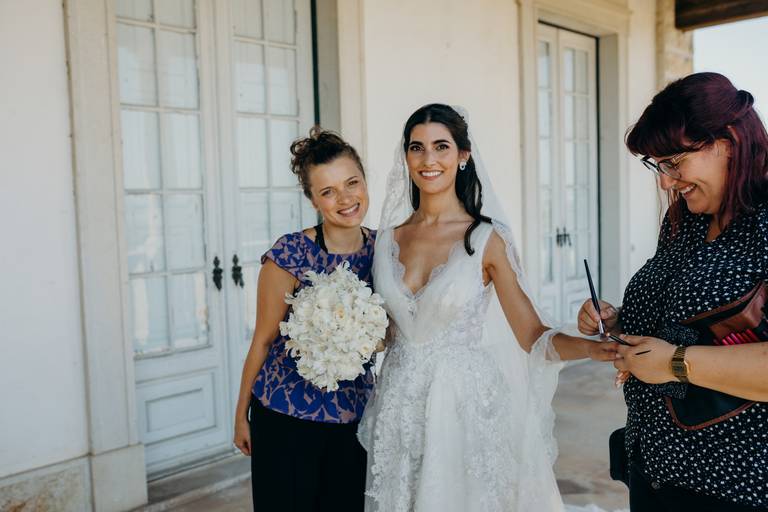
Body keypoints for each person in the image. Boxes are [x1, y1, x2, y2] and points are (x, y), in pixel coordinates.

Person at [358, 103, 619, 512]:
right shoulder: (385, 239)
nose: (428, 160)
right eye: (417, 147)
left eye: (441, 147)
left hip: (461, 405)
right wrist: (338, 338)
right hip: (400, 402)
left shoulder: (486, 239)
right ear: (405, 156)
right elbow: (387, 332)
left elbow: (532, 336)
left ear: (463, 156)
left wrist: (589, 347)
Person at [577, 72, 768, 511]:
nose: (665, 182)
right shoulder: (686, 220)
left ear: (729, 141)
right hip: (654, 466)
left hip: (732, 484)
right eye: (657, 165)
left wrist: (675, 363)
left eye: (673, 163)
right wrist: (618, 320)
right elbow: (684, 318)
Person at [233, 128, 374, 511]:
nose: (345, 199)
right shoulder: (291, 253)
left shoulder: (385, 253)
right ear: (312, 198)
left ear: (364, 180)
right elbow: (262, 340)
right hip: (284, 417)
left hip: (352, 419)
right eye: (328, 191)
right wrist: (241, 416)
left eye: (352, 183)